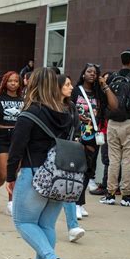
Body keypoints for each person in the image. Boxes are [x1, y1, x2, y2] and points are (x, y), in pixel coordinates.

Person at [6, 67, 74, 259]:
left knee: (23, 221)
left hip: (34, 173)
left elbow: (15, 149)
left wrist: (10, 177)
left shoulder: (29, 114)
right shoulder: (67, 114)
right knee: (46, 226)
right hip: (62, 177)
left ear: (32, 85)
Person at [100, 50, 130, 207]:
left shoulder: (112, 77)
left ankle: (110, 194)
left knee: (114, 160)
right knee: (128, 161)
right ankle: (127, 197)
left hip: (113, 124)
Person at [71, 64, 114, 218]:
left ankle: (80, 203)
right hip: (77, 135)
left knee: (89, 170)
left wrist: (105, 85)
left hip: (93, 136)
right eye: (89, 72)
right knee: (79, 170)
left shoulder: (98, 93)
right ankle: (76, 203)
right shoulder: (76, 91)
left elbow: (114, 106)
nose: (92, 74)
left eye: (95, 73)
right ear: (83, 74)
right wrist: (76, 116)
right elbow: (66, 109)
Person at [0, 71, 24, 215]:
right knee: (3, 174)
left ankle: (11, 202)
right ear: (5, 82)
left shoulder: (23, 100)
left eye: (16, 81)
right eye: (10, 81)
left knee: (13, 172)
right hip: (2, 136)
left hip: (18, 137)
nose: (13, 83)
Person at [58, 74, 86, 242]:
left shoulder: (72, 107)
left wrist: (76, 142)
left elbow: (76, 128)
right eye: (67, 84)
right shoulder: (47, 106)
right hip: (47, 154)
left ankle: (73, 227)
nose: (71, 87)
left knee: (67, 188)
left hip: (66, 152)